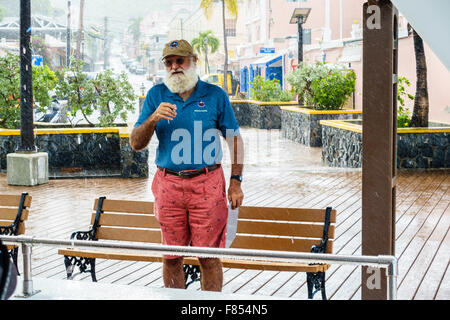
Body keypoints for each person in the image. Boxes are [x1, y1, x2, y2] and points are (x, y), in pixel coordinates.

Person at [130, 39, 244, 292]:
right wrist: (153, 118)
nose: (174, 67)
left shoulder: (214, 95)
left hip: (208, 183)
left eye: (179, 60)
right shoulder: (156, 95)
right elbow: (136, 143)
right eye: (169, 62)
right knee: (171, 256)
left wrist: (236, 182)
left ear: (194, 61)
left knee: (209, 257)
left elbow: (235, 140)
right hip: (168, 183)